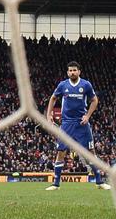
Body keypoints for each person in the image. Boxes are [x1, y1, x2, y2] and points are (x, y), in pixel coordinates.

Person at [43, 61, 109, 190]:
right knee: (61, 152)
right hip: (66, 124)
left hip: (81, 123)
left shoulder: (85, 85)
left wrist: (88, 116)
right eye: (70, 70)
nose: (72, 72)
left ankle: (100, 182)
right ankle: (56, 184)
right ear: (67, 72)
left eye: (74, 70)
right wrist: (49, 115)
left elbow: (95, 100)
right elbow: (53, 98)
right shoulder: (63, 85)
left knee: (90, 152)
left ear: (79, 71)